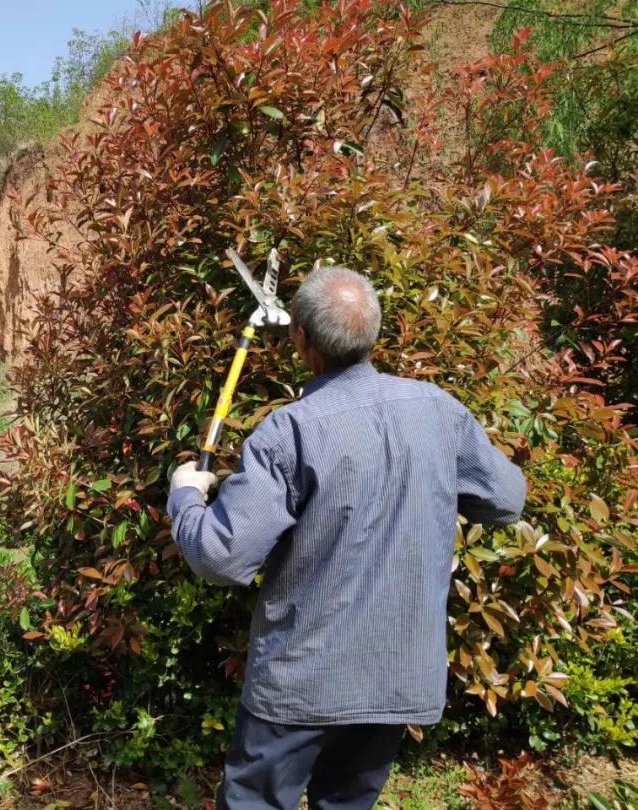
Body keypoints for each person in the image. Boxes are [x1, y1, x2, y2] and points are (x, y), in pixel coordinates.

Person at [167, 265, 526, 810]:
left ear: (301, 340)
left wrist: (186, 496)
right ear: (374, 333)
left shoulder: (290, 432)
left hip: (298, 681)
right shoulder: (439, 413)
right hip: (394, 676)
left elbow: (221, 557)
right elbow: (506, 498)